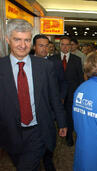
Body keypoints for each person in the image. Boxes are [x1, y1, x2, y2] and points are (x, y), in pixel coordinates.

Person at [0, 19, 67, 170]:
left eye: (27, 40)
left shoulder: (44, 66)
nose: (23, 45)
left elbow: (54, 97)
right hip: (10, 132)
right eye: (17, 39)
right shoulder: (1, 67)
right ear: (7, 39)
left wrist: (62, 121)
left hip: (38, 130)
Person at [33, 34, 67, 171]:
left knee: (48, 146)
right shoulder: (26, 64)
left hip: (50, 112)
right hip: (32, 116)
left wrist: (61, 98)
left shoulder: (55, 63)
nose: (44, 48)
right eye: (41, 45)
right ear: (34, 47)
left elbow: (63, 82)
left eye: (46, 45)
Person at [49, 36, 84, 146]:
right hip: (57, 94)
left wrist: (79, 95)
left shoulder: (76, 60)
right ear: (59, 46)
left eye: (67, 44)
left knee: (70, 116)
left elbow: (80, 78)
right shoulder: (52, 59)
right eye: (62, 44)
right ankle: (56, 134)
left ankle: (69, 137)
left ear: (71, 46)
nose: (65, 47)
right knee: (57, 115)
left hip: (71, 94)